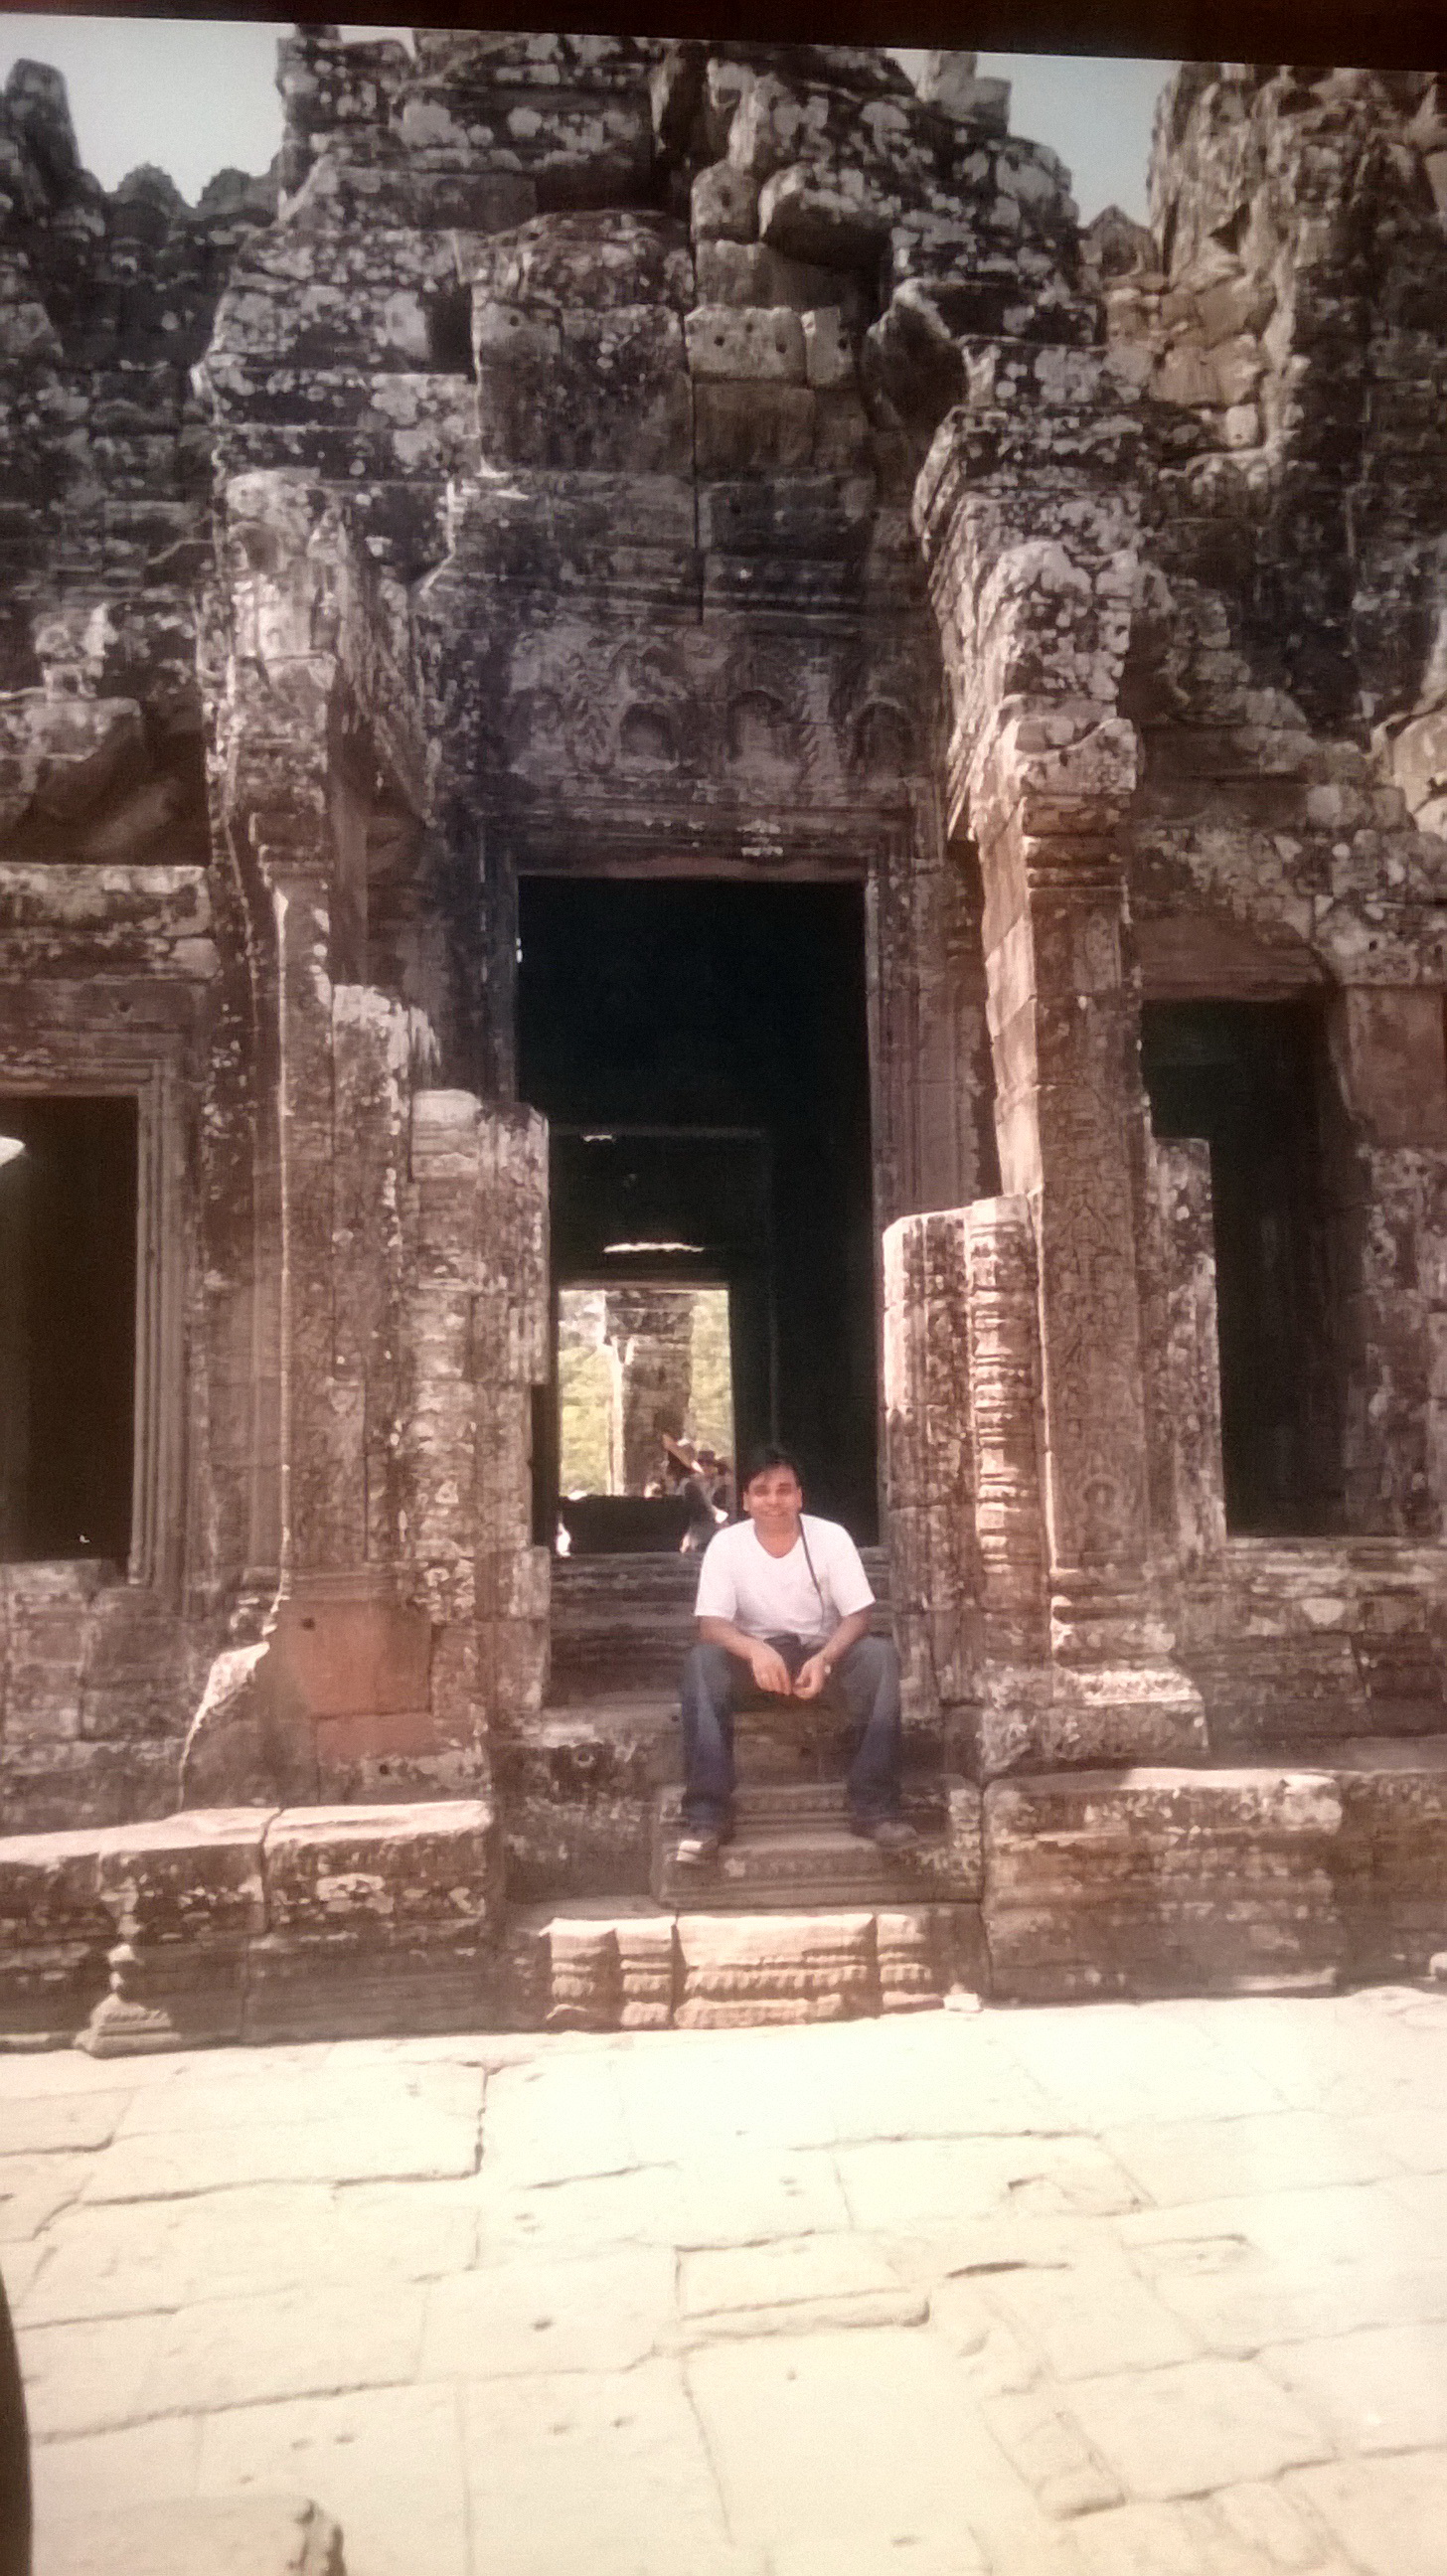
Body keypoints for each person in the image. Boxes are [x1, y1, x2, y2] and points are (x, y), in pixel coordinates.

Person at [676, 1445, 917, 1866]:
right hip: (756, 1669)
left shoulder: (830, 1538)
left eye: (784, 1490)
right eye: (762, 1491)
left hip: (819, 1663)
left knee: (879, 1657)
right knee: (702, 1662)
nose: (774, 1500)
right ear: (746, 1500)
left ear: (800, 1497)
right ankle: (706, 1817)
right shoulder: (726, 1546)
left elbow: (858, 1614)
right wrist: (754, 1650)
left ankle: (876, 1808)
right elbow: (711, 1625)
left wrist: (825, 1658)